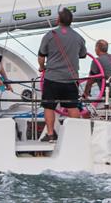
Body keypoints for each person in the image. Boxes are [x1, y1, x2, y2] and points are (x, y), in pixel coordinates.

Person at [38, 7, 87, 142]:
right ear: (71, 21)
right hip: (71, 79)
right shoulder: (78, 37)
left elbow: (41, 56)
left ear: (58, 20)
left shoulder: (49, 35)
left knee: (49, 107)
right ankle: (77, 135)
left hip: (52, 78)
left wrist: (42, 68)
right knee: (72, 106)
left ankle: (50, 134)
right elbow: (83, 55)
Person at [83, 39, 111, 108]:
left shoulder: (97, 61)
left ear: (97, 48)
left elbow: (90, 80)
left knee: (89, 110)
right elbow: (107, 73)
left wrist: (85, 94)